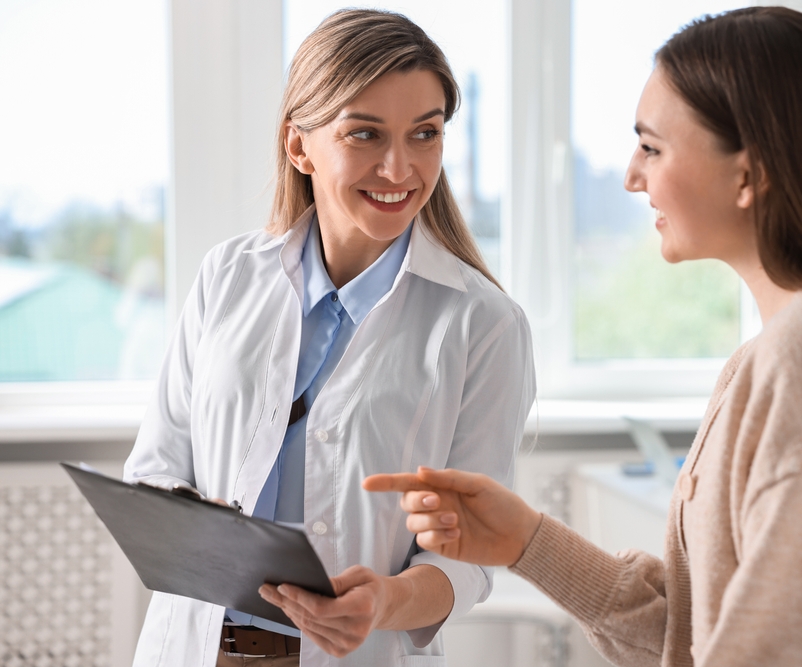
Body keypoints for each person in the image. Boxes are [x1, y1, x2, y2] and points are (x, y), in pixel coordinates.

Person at [365, 7, 802, 666]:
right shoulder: (776, 354)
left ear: (749, 174)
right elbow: (699, 634)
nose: (631, 176)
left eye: (652, 147)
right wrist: (527, 540)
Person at [123, 9, 535, 667]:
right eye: (365, 134)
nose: (399, 167)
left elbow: (470, 557)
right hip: (192, 649)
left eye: (425, 133)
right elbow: (154, 469)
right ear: (299, 146)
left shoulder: (484, 325)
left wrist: (386, 601)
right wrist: (192, 524)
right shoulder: (228, 275)